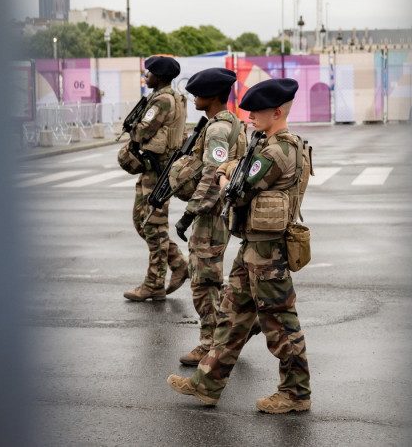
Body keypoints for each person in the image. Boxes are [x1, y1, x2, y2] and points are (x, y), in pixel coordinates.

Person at [167, 78, 313, 414]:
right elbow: (241, 174)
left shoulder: (279, 150)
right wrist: (231, 169)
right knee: (231, 318)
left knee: (280, 324)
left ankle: (295, 393)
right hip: (252, 249)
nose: (249, 116)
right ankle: (206, 384)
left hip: (268, 253)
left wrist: (222, 173)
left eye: (257, 112)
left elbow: (238, 189)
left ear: (277, 112)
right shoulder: (267, 144)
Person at [169, 68, 249, 366]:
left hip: (211, 212)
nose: (194, 97)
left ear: (213, 96)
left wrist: (189, 215)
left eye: (198, 93)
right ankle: (231, 332)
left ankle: (209, 345)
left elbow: (213, 173)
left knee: (203, 279)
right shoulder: (232, 123)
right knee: (212, 277)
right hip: (220, 211)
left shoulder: (217, 129)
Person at [123, 56, 190, 301]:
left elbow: (142, 132)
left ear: (159, 76)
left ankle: (154, 283)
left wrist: (133, 127)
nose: (146, 76)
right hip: (153, 169)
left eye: (149, 72)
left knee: (153, 224)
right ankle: (178, 263)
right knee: (142, 222)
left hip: (158, 170)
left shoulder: (162, 100)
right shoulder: (168, 97)